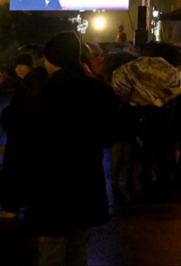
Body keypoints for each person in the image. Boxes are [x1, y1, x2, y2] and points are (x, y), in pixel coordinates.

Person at [25, 32, 118, 266]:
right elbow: (109, 135)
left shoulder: (41, 92)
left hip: (50, 184)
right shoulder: (99, 91)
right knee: (78, 249)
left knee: (51, 251)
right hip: (86, 181)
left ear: (54, 59)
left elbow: (27, 134)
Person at [0, 55, 48, 217]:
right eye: (16, 66)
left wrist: (8, 116)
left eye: (22, 65)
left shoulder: (30, 85)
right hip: (28, 136)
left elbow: (22, 110)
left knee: (16, 171)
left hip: (22, 137)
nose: (18, 69)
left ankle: (11, 208)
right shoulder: (35, 82)